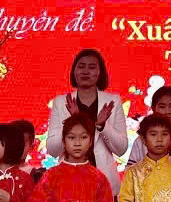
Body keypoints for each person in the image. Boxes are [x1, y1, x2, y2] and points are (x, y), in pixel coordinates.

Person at [46, 48, 128, 194]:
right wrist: (72, 121)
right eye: (81, 66)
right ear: (74, 71)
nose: (85, 71)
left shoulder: (113, 101)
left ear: (100, 72)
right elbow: (52, 150)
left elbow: (121, 149)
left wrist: (103, 126)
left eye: (92, 67)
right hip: (68, 184)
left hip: (104, 184)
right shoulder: (60, 102)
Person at [27, 114, 115, 202]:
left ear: (91, 142)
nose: (77, 143)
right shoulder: (50, 176)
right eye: (71, 137)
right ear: (64, 141)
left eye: (83, 137)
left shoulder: (99, 178)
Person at [118, 114, 171, 202]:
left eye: (164, 134)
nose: (159, 139)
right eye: (153, 134)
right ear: (143, 139)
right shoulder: (133, 171)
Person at [125, 86, 171, 165]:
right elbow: (130, 170)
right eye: (162, 107)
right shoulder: (141, 141)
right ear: (153, 109)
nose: (167, 111)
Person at [13, 118, 47, 183]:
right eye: (12, 143)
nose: (16, 148)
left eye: (22, 144)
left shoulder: (35, 176)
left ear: (31, 147)